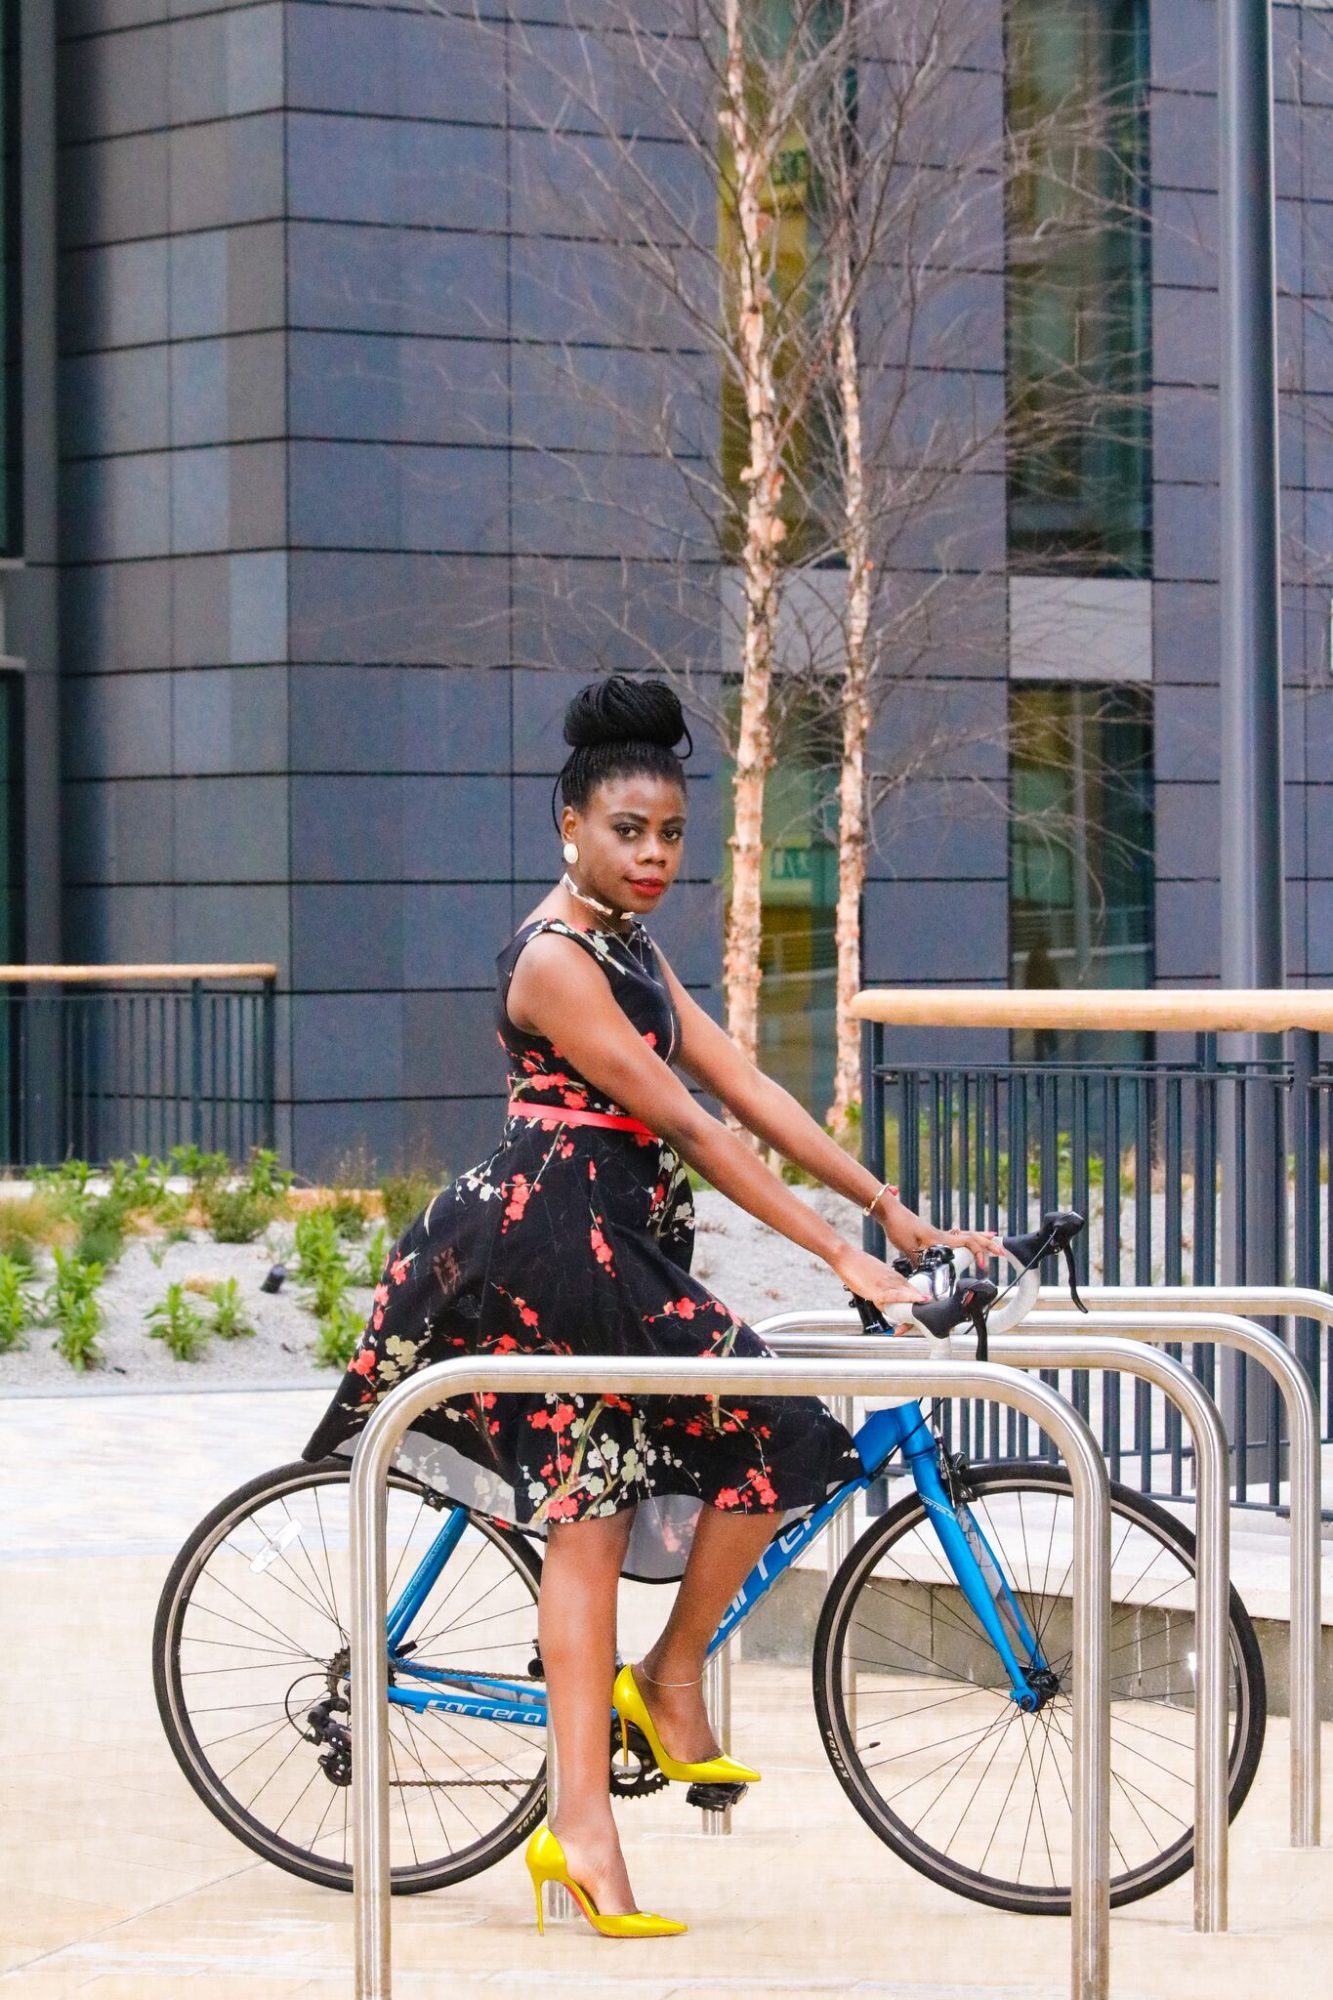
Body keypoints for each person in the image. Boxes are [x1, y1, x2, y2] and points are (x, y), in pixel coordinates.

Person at [303, 674, 1000, 1937]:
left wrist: (885, 1208)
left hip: (612, 1242)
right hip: (544, 1246)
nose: (654, 854)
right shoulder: (556, 961)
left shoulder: (633, 948)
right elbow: (686, 1121)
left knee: (697, 1476)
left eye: (672, 833)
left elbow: (742, 1085)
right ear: (567, 824)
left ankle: (656, 1691)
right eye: (629, 830)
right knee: (676, 1475)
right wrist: (839, 1260)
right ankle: (599, 1797)